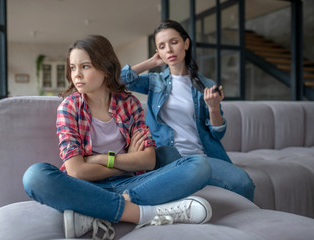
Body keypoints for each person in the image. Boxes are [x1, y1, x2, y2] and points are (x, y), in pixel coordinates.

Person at [22, 35, 213, 240]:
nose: (77, 75)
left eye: (85, 66)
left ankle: (97, 211)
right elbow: (77, 171)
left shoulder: (129, 104)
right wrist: (127, 160)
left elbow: (148, 161)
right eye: (73, 67)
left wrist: (103, 158)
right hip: (87, 188)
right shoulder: (69, 107)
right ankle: (144, 213)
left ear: (105, 68)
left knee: (198, 165)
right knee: (35, 176)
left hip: (133, 183)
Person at [120, 20, 255, 201]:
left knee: (243, 182)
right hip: (167, 156)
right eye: (162, 46)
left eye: (174, 42)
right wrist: (151, 62)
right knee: (166, 154)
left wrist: (214, 107)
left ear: (186, 43)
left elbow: (218, 134)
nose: (169, 49)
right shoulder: (155, 82)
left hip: (201, 157)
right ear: (158, 51)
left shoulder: (206, 85)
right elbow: (119, 81)